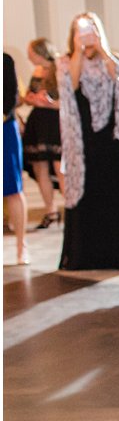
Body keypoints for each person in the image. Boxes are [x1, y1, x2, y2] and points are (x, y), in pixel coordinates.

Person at [57, 10, 119, 271]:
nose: (85, 34)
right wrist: (78, 50)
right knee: (89, 196)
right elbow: (70, 86)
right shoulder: (66, 62)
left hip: (114, 140)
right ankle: (87, 255)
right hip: (83, 141)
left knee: (116, 196)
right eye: (80, 30)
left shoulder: (114, 60)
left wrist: (101, 48)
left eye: (90, 28)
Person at [20, 37, 63, 229]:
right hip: (38, 121)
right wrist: (31, 99)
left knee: (59, 166)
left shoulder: (60, 68)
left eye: (31, 52)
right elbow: (28, 96)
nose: (29, 56)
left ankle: (71, 207)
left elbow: (69, 101)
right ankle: (50, 210)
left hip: (55, 121)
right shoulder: (36, 72)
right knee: (40, 168)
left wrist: (49, 103)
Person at [3, 52, 26, 266]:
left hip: (4, 129)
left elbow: (11, 97)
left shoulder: (5, 60)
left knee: (13, 190)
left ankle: (21, 248)